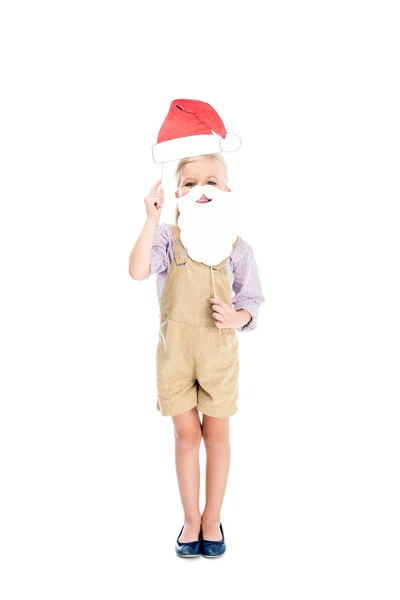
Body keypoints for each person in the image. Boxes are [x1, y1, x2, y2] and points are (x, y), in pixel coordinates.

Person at [129, 153, 265, 558]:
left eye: (210, 182)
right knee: (186, 436)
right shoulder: (169, 240)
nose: (200, 189)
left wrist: (236, 315)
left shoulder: (238, 249)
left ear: (226, 191)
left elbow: (253, 301)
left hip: (218, 357)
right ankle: (191, 519)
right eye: (189, 183)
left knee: (217, 437)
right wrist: (151, 219)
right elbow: (137, 271)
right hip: (175, 357)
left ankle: (212, 517)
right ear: (176, 194)